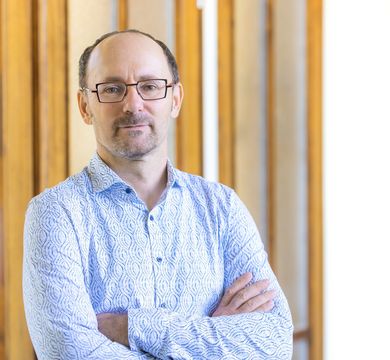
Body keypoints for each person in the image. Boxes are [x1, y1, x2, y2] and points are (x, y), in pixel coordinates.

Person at [23, 29, 293, 359]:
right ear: (85, 106)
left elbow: (275, 340)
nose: (132, 104)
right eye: (112, 88)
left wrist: (130, 328)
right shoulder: (55, 213)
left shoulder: (222, 207)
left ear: (175, 99)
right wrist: (210, 336)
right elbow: (68, 354)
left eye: (150, 86)